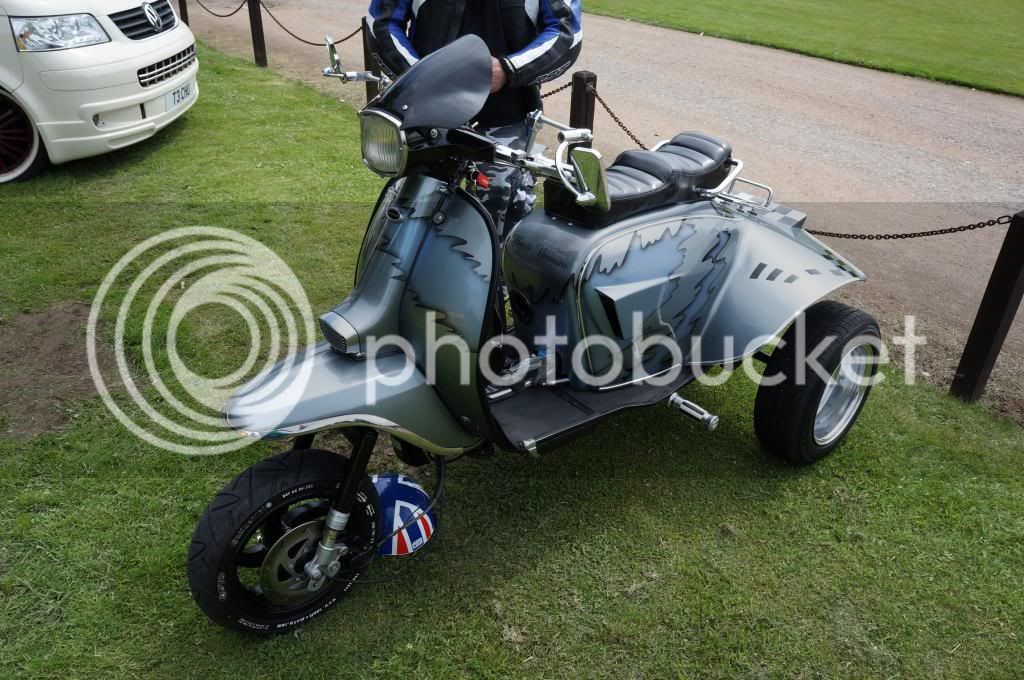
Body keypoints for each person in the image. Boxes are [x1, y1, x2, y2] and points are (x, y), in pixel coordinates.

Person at [367, 0, 583, 237]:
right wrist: (422, 76)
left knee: (498, 229)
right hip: (427, 117)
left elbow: (567, 33)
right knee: (410, 219)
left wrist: (509, 69)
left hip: (505, 121)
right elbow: (381, 23)